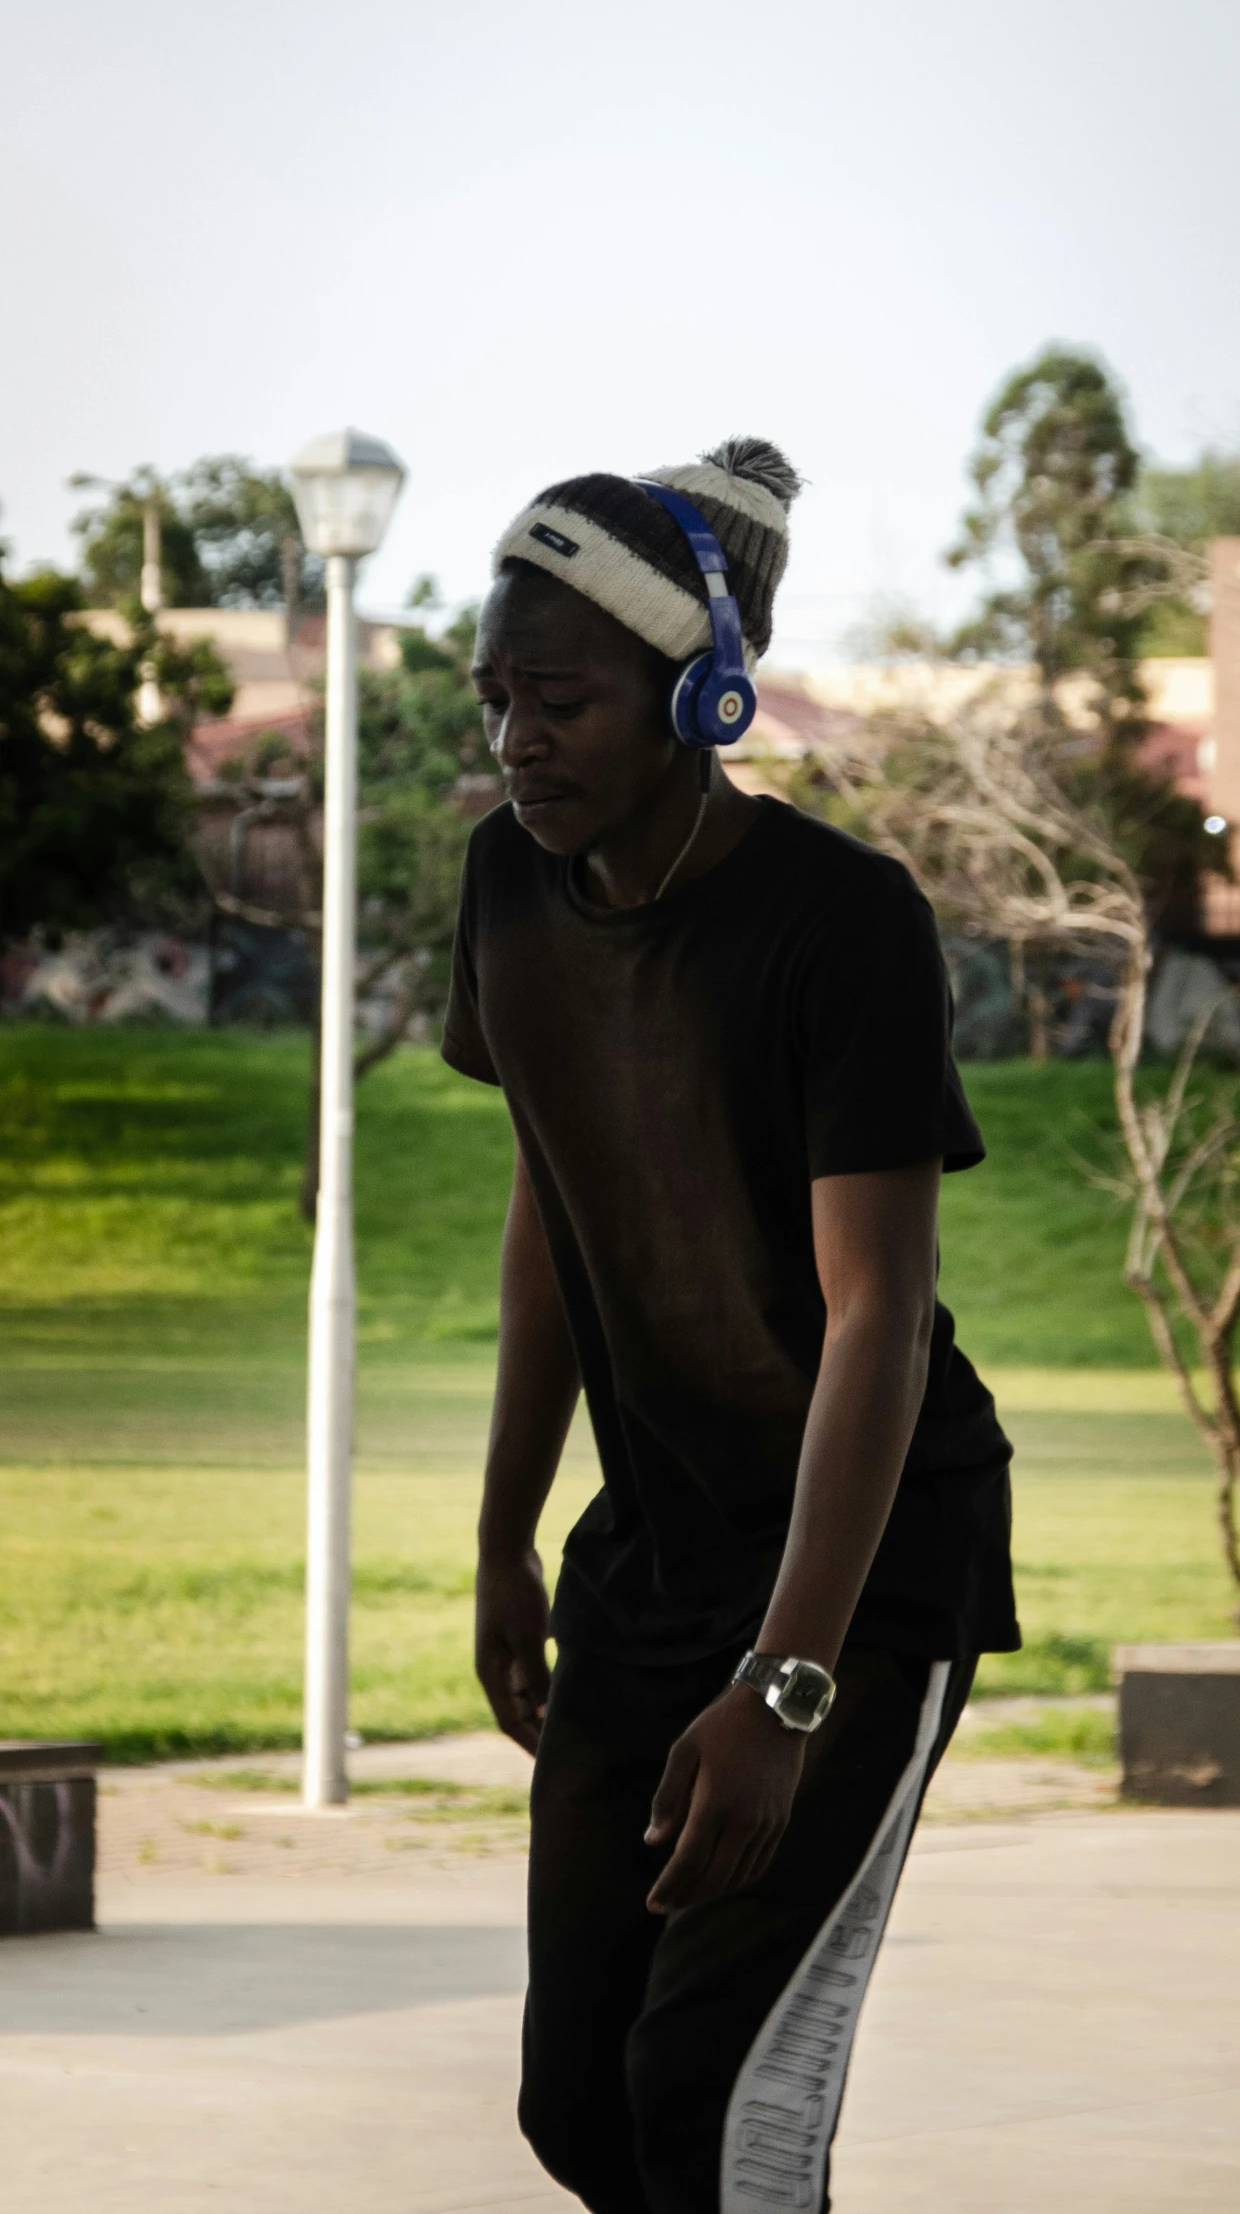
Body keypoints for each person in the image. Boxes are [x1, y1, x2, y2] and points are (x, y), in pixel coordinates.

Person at [443, 438, 1018, 2214]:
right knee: (580, 2113)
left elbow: (877, 1323)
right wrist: (500, 1539)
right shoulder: (508, 890)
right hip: (651, 1559)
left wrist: (787, 1690)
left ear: (700, 695)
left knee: (716, 2108)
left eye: (563, 701)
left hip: (860, 1566)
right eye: (496, 700)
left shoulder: (839, 925)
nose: (519, 740)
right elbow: (555, 1204)